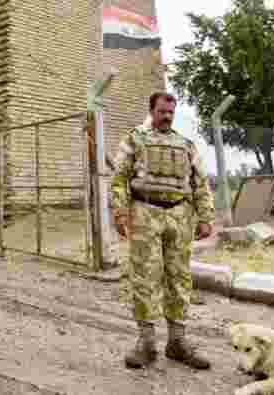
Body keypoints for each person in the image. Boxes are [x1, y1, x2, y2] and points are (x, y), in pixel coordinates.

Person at [109, 91, 216, 370]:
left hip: (179, 215)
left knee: (179, 277)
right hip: (144, 213)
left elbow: (201, 183)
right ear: (151, 110)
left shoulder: (186, 145)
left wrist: (205, 217)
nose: (167, 116)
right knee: (145, 276)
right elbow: (119, 179)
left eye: (171, 112)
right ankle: (146, 343)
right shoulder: (135, 139)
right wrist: (120, 212)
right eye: (162, 111)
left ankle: (177, 342)